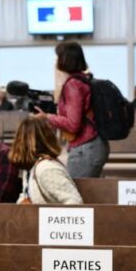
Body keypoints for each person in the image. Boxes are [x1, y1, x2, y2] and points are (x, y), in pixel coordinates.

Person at [35, 41, 109, 178]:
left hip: (86, 147)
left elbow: (73, 124)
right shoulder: (84, 79)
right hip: (94, 145)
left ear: (65, 59)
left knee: (75, 195)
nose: (56, 61)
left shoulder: (73, 85)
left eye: (58, 57)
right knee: (87, 195)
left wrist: (47, 117)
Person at [9, 117, 82, 204]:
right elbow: (26, 195)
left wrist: (47, 217)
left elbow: (75, 203)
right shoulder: (30, 167)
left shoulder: (46, 169)